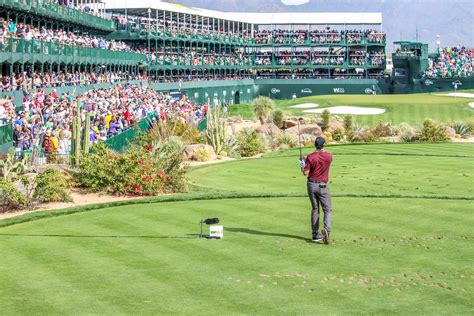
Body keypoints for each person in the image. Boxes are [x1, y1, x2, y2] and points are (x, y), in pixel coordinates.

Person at [299, 136, 333, 244]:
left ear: (315, 145)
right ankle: (326, 230)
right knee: (327, 209)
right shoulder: (329, 156)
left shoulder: (310, 157)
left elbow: (305, 173)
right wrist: (306, 159)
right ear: (324, 145)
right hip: (323, 186)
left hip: (311, 185)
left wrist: (302, 163)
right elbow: (321, 157)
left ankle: (315, 235)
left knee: (315, 209)